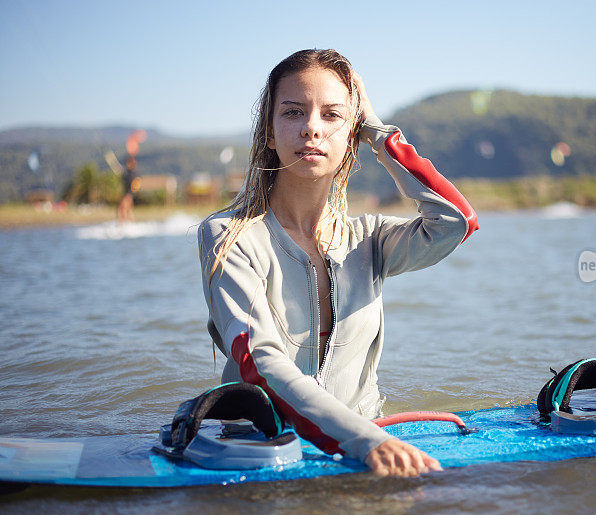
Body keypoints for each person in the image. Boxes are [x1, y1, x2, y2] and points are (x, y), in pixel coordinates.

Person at [198, 49, 478, 477]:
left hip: (369, 439)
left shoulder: (371, 239)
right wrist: (365, 442)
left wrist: (378, 134)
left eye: (332, 116)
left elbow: (456, 221)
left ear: (352, 134)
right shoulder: (228, 237)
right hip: (261, 446)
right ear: (269, 133)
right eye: (293, 113)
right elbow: (259, 361)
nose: (312, 127)